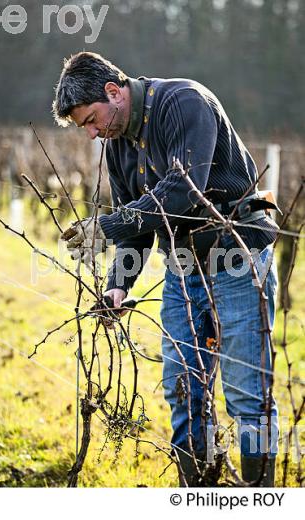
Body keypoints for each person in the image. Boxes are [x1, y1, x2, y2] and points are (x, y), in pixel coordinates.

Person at [53, 52, 279, 486]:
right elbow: (135, 225)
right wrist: (118, 285)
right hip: (181, 269)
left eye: (90, 120)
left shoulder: (184, 102)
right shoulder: (118, 144)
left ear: (113, 92)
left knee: (248, 394)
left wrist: (106, 225)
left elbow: (181, 189)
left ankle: (259, 498)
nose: (93, 133)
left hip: (237, 257)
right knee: (182, 390)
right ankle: (198, 493)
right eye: (85, 127)